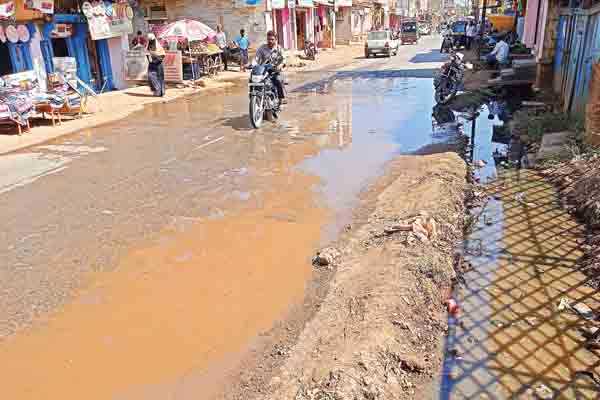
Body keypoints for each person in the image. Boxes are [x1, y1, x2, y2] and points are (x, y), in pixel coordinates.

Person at [252, 30, 286, 104]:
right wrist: (253, 64)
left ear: (275, 40)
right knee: (252, 80)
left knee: (278, 80)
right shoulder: (262, 48)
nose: (270, 41)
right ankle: (253, 97)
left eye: (272, 39)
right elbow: (256, 58)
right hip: (263, 71)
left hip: (274, 71)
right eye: (268, 39)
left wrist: (280, 65)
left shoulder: (279, 48)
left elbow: (284, 59)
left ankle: (281, 99)